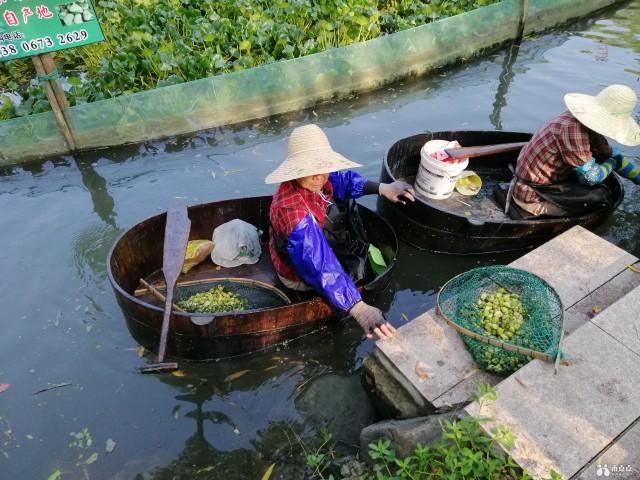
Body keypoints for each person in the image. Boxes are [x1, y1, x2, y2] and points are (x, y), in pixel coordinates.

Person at [265, 124, 415, 341]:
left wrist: (383, 188)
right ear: (295, 170)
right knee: (352, 272)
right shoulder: (293, 212)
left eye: (322, 167)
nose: (319, 176)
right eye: (310, 170)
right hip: (300, 273)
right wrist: (359, 308)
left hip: (317, 250)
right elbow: (318, 264)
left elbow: (343, 182)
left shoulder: (320, 179)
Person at [509, 84, 640, 217]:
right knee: (601, 197)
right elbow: (591, 178)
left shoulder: (586, 124)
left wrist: (636, 176)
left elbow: (611, 155)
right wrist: (612, 164)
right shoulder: (572, 129)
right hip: (532, 196)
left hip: (549, 182)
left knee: (604, 170)